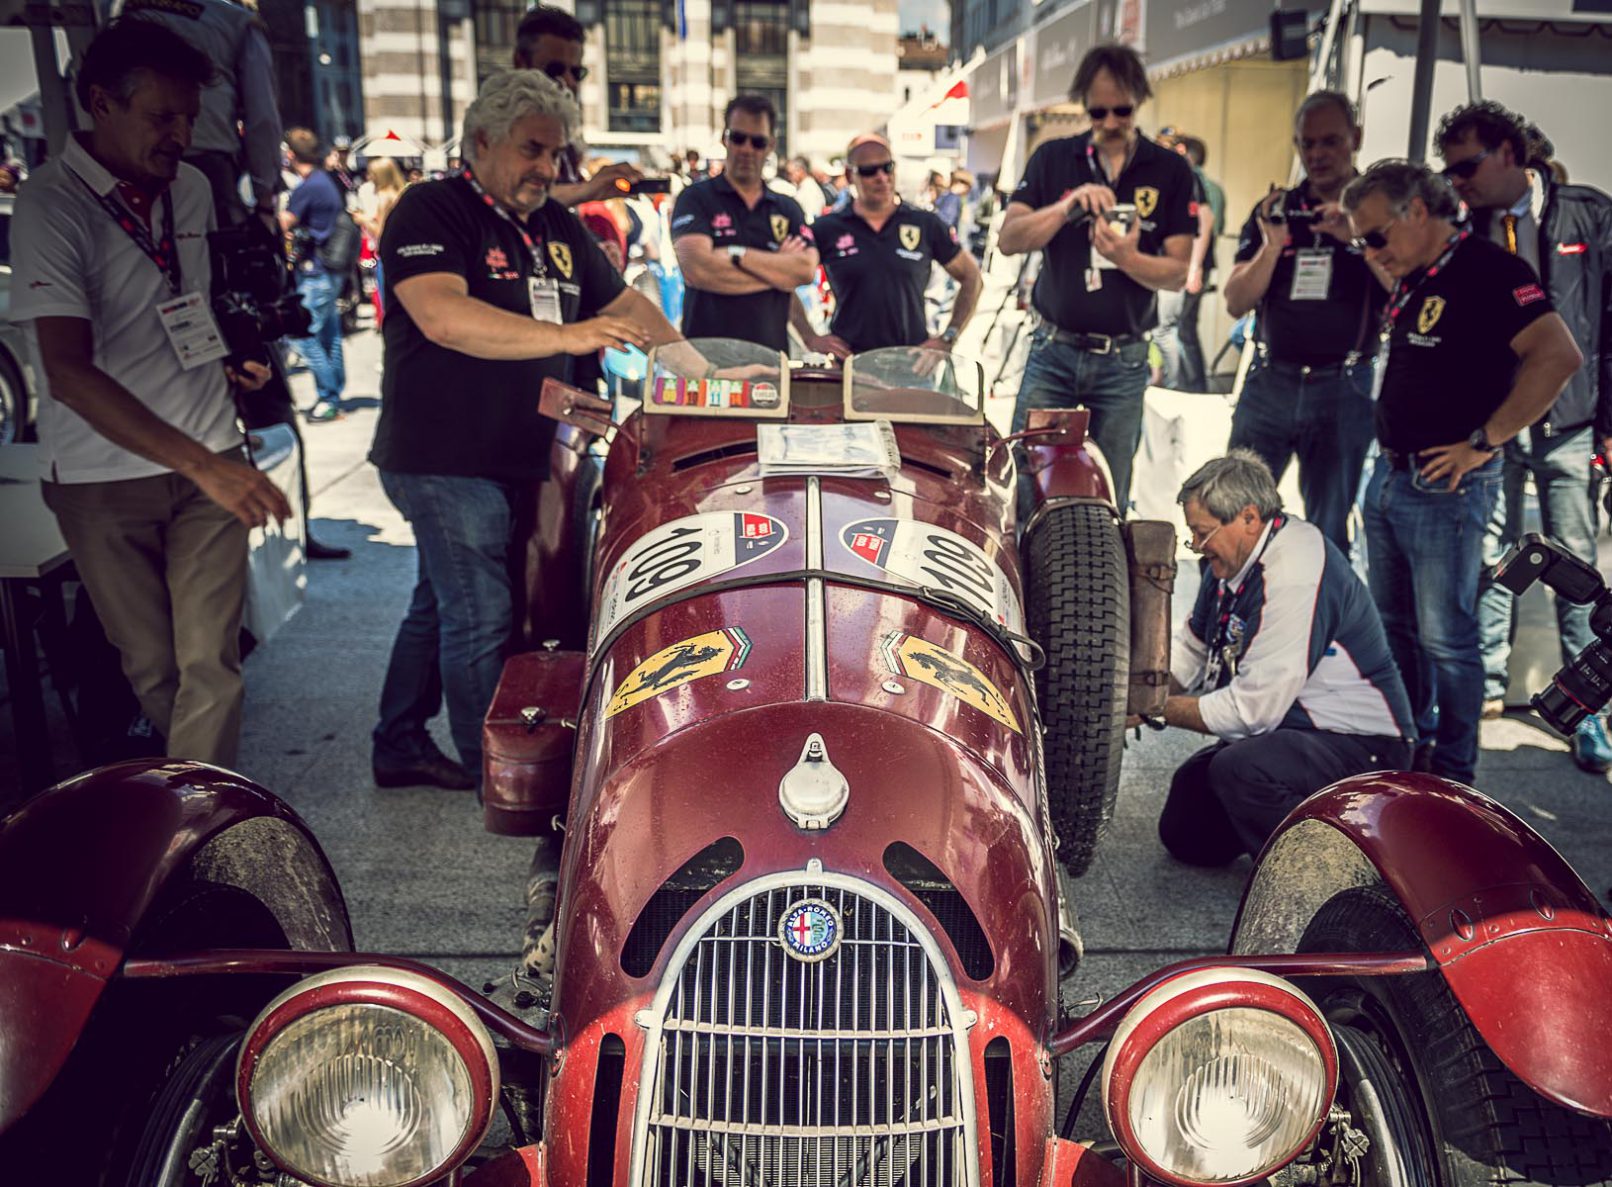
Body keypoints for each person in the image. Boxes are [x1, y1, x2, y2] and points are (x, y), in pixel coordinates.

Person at [369, 69, 679, 791]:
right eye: (532, 150)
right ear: (481, 141)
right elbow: (443, 316)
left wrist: (708, 374)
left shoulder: (555, 226)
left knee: (441, 599)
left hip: (518, 454)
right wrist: (569, 336)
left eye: (557, 153)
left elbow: (627, 306)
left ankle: (398, 740)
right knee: (481, 611)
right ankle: (500, 777)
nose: (548, 168)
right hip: (442, 457)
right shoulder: (430, 209)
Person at [9, 17, 290, 769]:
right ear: (101, 102)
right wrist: (206, 465)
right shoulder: (50, 203)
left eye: (191, 117)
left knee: (210, 665)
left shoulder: (189, 188)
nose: (182, 135)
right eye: (162, 116)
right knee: (154, 668)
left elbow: (178, 304)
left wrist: (227, 359)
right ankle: (196, 797)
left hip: (210, 457)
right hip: (103, 477)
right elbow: (67, 371)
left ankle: (199, 825)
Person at [1343, 160, 1583, 784]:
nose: (1372, 252)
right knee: (1396, 632)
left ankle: (1453, 774)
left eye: (1376, 236)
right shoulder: (1417, 272)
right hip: (1391, 475)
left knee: (1447, 640)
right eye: (1362, 241)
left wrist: (1485, 441)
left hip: (1446, 486)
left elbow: (1559, 356)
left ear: (1418, 212)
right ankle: (1411, 753)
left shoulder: (1490, 269)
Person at [1437, 101, 1612, 772]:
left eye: (1467, 166)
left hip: (1570, 423)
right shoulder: (1466, 224)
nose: (1457, 181)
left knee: (1577, 568)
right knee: (1494, 558)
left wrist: (1608, 426)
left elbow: (1607, 326)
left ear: (1512, 154)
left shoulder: (1587, 214)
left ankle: (1587, 712)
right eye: (1450, 171)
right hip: (1496, 424)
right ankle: (1484, 692)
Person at [1154, 452, 1414, 864]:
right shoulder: (1230, 564)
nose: (1198, 548)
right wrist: (1144, 689)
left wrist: (1153, 708)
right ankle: (1283, 830)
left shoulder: (1294, 570)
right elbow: (1192, 648)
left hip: (1363, 745)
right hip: (1292, 729)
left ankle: (1326, 870)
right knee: (1186, 826)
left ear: (1249, 518)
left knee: (1241, 769)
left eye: (1203, 534)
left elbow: (1251, 711)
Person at [998, 43, 1195, 512]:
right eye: (1097, 111)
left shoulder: (1168, 169)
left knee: (1111, 493)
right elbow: (1009, 239)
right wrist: (1066, 207)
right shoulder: (1054, 157)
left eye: (1121, 110)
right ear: (1084, 105)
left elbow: (1177, 273)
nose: (1109, 122)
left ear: (1139, 101)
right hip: (1054, 349)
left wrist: (1126, 258)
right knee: (1026, 483)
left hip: (1123, 359)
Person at [1223, 92, 1391, 554]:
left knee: (1328, 529)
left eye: (1330, 142)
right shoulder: (1278, 209)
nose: (1317, 154)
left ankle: (1320, 604)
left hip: (1343, 386)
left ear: (1356, 139)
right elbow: (1235, 301)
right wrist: (1272, 246)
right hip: (1270, 381)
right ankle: (1225, 602)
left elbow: (1407, 292)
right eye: (1307, 143)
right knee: (1233, 516)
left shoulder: (1379, 210)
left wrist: (1357, 238)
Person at [791, 133, 982, 358]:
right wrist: (809, 337)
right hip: (850, 363)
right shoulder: (828, 228)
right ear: (850, 175)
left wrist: (948, 337)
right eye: (869, 171)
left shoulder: (924, 223)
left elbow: (972, 277)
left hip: (910, 363)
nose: (881, 177)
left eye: (887, 167)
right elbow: (783, 280)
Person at [671, 95, 818, 353]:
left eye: (757, 142)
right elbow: (698, 270)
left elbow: (804, 271)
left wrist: (735, 255)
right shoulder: (695, 198)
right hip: (707, 361)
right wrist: (778, 273)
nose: (747, 149)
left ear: (770, 145)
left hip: (770, 360)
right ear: (724, 139)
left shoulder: (787, 208)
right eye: (738, 138)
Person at [118, 0, 281, 228]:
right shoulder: (234, 20)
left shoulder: (117, 9)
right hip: (207, 163)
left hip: (129, 162)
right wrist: (264, 199)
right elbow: (262, 115)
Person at [511, 5, 642, 206]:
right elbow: (511, 199)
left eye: (576, 72)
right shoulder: (501, 126)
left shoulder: (567, 138)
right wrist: (586, 190)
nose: (568, 82)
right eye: (554, 70)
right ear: (521, 62)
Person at [281, 127, 348, 422]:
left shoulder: (309, 186)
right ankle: (333, 395)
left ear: (291, 154)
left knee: (302, 335)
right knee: (328, 335)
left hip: (316, 272)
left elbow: (283, 222)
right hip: (327, 270)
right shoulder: (324, 180)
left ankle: (328, 396)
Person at [356, 157, 407, 323]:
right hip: (399, 254)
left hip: (386, 256)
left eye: (372, 174)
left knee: (388, 304)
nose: (369, 178)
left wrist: (362, 220)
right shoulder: (400, 193)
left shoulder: (385, 197)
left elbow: (382, 232)